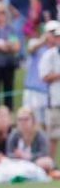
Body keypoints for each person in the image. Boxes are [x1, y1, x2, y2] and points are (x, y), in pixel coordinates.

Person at [37, 20, 60, 160]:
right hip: (55, 100)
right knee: (53, 136)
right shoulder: (49, 55)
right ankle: (50, 165)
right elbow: (44, 76)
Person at [6, 107, 55, 172]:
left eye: (26, 119)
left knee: (47, 162)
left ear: (33, 121)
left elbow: (44, 153)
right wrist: (18, 156)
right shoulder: (14, 135)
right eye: (20, 119)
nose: (23, 122)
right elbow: (9, 153)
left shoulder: (40, 135)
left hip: (35, 163)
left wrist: (29, 156)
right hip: (18, 163)